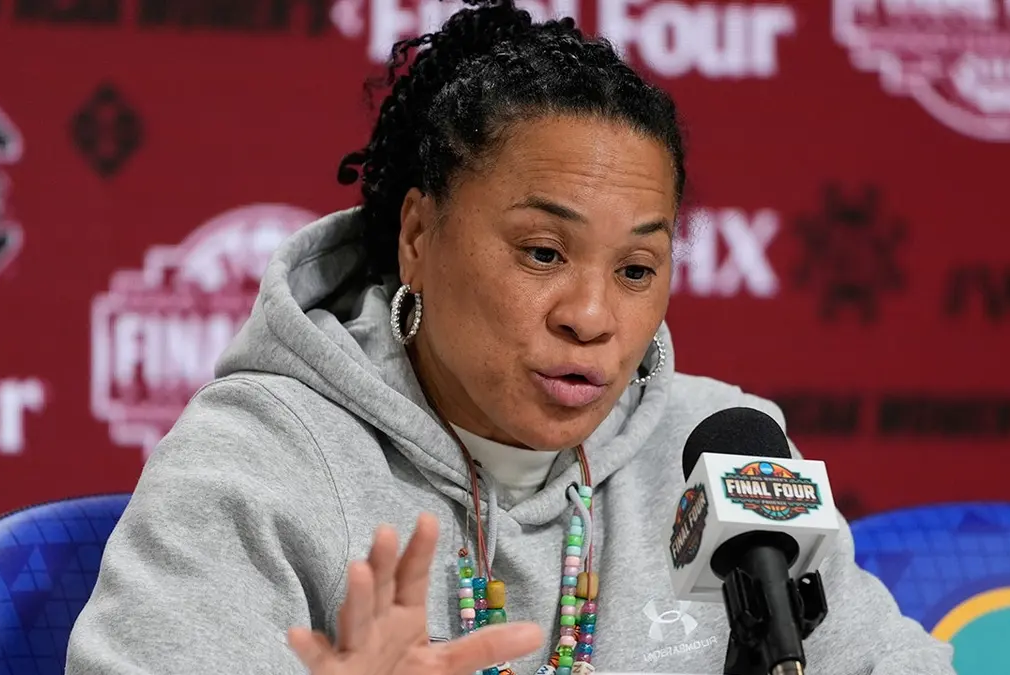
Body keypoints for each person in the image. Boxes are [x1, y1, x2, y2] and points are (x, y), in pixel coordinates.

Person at [66, 2, 957, 674]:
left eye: (637, 269)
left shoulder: (717, 449)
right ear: (418, 235)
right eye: (542, 251)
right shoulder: (258, 463)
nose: (592, 314)